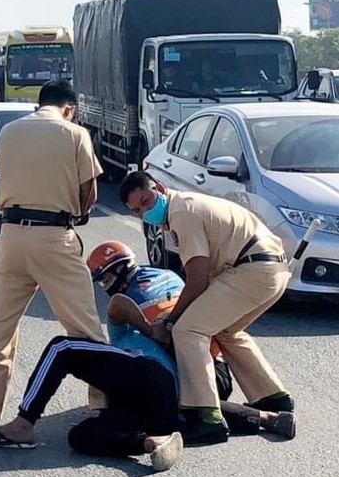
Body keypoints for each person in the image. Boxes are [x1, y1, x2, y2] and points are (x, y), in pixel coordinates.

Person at [0, 241, 295, 461]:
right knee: (81, 437)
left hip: (155, 371)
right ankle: (161, 440)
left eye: (104, 280)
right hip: (201, 381)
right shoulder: (172, 280)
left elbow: (117, 306)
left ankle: (24, 424)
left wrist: (147, 329)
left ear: (115, 273)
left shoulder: (134, 291)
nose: (104, 287)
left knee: (63, 348)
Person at [118, 171, 293, 445]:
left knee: (188, 331)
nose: (145, 211)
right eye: (137, 210)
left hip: (253, 269)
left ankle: (207, 417)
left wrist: (170, 321)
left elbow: (197, 279)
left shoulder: (181, 214)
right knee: (225, 331)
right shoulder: (187, 204)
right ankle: (274, 398)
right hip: (272, 269)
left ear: (160, 188)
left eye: (147, 200)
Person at [0, 78, 106, 434]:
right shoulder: (75, 134)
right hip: (54, 236)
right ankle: (105, 404)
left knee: (0, 325)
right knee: (85, 327)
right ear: (69, 108)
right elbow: (88, 191)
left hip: (11, 234)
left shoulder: (8, 132)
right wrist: (77, 214)